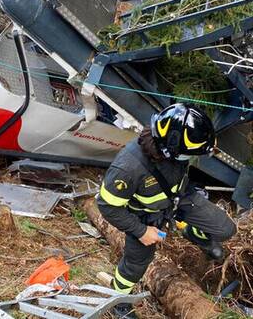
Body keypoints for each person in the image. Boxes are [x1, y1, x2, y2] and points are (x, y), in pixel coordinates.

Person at [97, 103, 236, 318]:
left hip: (179, 198)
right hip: (144, 217)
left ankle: (192, 232)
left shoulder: (176, 145)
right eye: (186, 156)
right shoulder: (127, 168)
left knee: (225, 229)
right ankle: (118, 302)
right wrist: (141, 231)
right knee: (135, 265)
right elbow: (107, 206)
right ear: (168, 149)